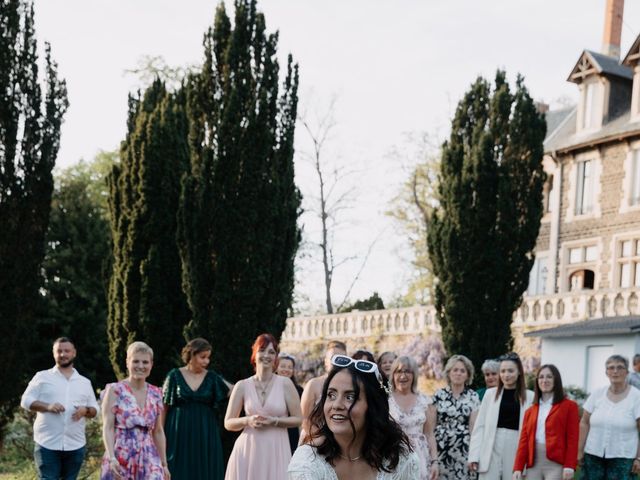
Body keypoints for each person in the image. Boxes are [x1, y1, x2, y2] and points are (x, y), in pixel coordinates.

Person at [288, 354, 419, 479]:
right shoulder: (307, 462)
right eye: (331, 395)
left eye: (350, 397)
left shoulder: (401, 461)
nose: (337, 405)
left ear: (373, 407)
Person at [224, 333, 302, 480]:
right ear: (255, 354)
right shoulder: (242, 386)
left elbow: (298, 419)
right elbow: (228, 422)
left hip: (276, 449)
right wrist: (247, 420)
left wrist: (275, 421)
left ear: (276, 358)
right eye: (262, 350)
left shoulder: (286, 384)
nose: (266, 355)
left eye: (271, 352)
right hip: (247, 450)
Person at [21, 337, 99, 480]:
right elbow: (25, 401)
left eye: (67, 351)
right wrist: (47, 406)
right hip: (47, 444)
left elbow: (95, 410)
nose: (63, 354)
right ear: (54, 354)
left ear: (74, 353)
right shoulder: (42, 377)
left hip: (75, 445)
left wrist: (85, 411)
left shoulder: (84, 382)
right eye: (59, 351)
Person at [163, 338, 231, 480]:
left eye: (208, 358)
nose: (207, 361)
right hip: (178, 433)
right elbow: (164, 408)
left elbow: (234, 390)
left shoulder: (212, 377)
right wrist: (161, 435)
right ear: (192, 355)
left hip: (205, 432)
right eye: (203, 357)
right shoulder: (174, 376)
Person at [100, 341, 169, 480]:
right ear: (127, 362)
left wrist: (164, 464)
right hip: (120, 455)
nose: (140, 366)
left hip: (149, 456)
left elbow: (158, 431)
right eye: (136, 361)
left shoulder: (156, 393)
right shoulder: (114, 390)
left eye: (145, 362)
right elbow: (108, 428)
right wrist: (111, 457)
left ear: (151, 364)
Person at [468, 352, 534, 479]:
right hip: (491, 446)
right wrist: (474, 456)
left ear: (519, 372)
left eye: (510, 371)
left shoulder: (530, 397)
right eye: (503, 371)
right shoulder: (490, 394)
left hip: (516, 445)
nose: (506, 375)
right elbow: (480, 427)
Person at [578, 354, 640, 479]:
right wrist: (579, 451)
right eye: (611, 368)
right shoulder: (597, 393)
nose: (615, 371)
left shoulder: (636, 396)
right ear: (606, 372)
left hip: (623, 459)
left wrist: (639, 458)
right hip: (593, 456)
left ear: (627, 372)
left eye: (620, 367)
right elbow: (584, 422)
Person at [513, 364, 579, 480]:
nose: (544, 380)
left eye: (549, 377)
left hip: (556, 463)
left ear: (556, 380)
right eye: (541, 377)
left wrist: (569, 465)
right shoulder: (530, 410)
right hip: (533, 462)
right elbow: (524, 441)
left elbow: (573, 439)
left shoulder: (569, 406)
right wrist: (518, 467)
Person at [429, 354, 479, 480]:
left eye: (462, 371)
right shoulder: (438, 395)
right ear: (449, 373)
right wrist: (432, 457)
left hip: (464, 451)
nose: (458, 373)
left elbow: (474, 429)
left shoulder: (473, 396)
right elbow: (431, 429)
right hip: (441, 450)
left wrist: (474, 455)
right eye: (455, 370)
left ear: (468, 375)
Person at [389, 356, 438, 480]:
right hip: (394, 456)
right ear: (393, 374)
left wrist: (435, 462)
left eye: (407, 371)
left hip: (421, 458)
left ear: (414, 375)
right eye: (399, 371)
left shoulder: (425, 401)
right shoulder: (386, 401)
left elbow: (429, 434)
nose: (403, 376)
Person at [300, 340, 347, 436]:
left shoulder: (350, 387)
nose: (336, 362)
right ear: (326, 361)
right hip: (314, 438)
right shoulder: (313, 384)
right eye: (332, 358)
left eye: (340, 358)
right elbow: (304, 419)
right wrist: (321, 440)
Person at [276, 352, 304, 454]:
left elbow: (302, 415)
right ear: (276, 368)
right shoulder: (270, 388)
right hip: (275, 430)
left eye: (289, 367)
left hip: (292, 432)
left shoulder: (299, 390)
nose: (286, 370)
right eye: (283, 366)